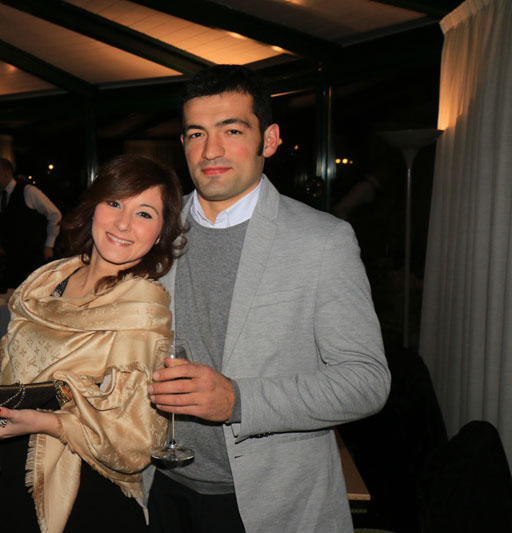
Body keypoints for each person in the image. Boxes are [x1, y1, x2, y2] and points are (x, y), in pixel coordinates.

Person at [145, 65, 391, 532]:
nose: (211, 150)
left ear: (270, 140)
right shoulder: (153, 231)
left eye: (232, 130)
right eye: (196, 133)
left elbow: (366, 381)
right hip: (157, 489)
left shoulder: (323, 240)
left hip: (268, 503)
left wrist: (239, 400)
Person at [0, 154, 185, 533]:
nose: (123, 223)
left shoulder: (142, 309)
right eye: (115, 203)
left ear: (160, 233)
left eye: (144, 213)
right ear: (94, 207)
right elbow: (4, 372)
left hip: (84, 496)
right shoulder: (45, 283)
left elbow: (137, 440)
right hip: (10, 476)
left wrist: (46, 422)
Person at [0, 157, 62, 289]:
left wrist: (49, 245)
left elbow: (55, 215)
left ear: (7, 173)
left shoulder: (28, 191)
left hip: (33, 259)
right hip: (9, 263)